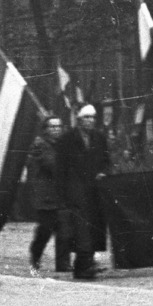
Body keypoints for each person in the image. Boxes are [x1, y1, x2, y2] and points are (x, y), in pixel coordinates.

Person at [56, 104, 111, 280]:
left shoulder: (99, 138)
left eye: (93, 117)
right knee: (80, 229)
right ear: (79, 119)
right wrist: (63, 193)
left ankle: (84, 265)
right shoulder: (67, 139)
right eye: (87, 117)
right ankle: (84, 266)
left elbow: (106, 160)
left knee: (92, 229)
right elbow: (60, 167)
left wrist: (104, 172)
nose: (90, 121)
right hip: (75, 190)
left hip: (95, 190)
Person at [27, 115, 70, 275]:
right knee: (45, 229)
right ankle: (35, 255)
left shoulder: (62, 144)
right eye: (52, 127)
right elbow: (51, 164)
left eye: (58, 126)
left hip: (60, 194)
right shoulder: (40, 144)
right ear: (45, 129)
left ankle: (63, 263)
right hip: (45, 194)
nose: (56, 130)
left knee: (64, 229)